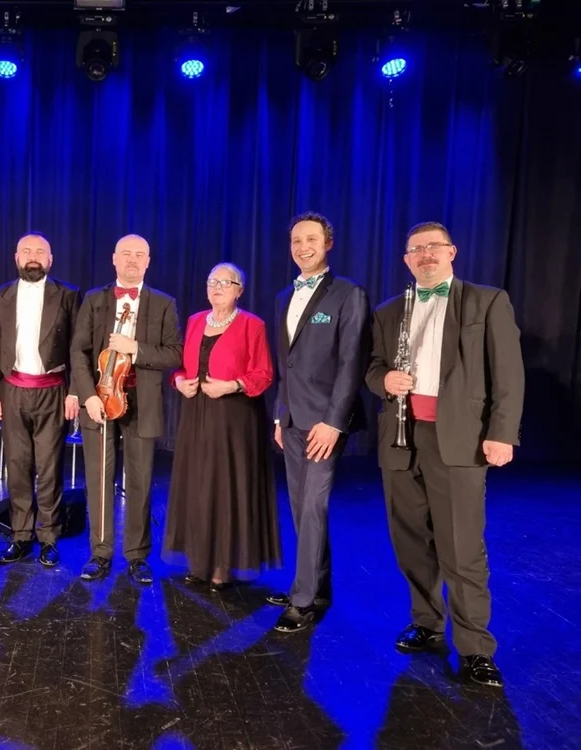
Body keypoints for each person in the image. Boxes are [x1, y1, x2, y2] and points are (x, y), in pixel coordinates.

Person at [366, 222, 524, 688]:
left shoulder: (486, 301)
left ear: (451, 251)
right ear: (406, 259)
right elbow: (373, 368)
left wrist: (502, 434)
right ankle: (427, 622)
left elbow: (508, 374)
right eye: (417, 249)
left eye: (434, 247)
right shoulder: (388, 311)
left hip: (459, 439)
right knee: (411, 541)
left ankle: (475, 647)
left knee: (462, 547)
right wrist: (383, 380)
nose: (426, 255)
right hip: (400, 437)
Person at [269, 212, 370, 633]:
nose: (302, 247)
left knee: (313, 507)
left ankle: (303, 600)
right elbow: (285, 365)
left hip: (325, 423)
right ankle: (315, 586)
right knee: (300, 508)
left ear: (328, 244)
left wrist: (334, 422)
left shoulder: (349, 294)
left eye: (311, 239)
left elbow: (352, 362)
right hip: (292, 418)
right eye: (296, 240)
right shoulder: (283, 297)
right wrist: (280, 414)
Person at [70, 234, 183, 584]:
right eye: (126, 254)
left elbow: (175, 353)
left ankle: (137, 555)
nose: (132, 260)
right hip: (100, 399)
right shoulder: (94, 299)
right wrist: (88, 396)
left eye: (139, 255)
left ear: (148, 261)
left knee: (140, 480)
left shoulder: (164, 303)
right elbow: (78, 351)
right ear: (114, 259)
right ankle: (100, 553)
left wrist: (136, 348)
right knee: (98, 479)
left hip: (142, 402)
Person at [164, 263, 280, 591]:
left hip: (234, 416)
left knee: (225, 486)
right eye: (212, 281)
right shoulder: (195, 321)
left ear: (239, 290)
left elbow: (264, 374)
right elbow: (182, 367)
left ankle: (222, 564)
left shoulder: (252, 325)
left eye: (225, 282)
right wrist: (178, 381)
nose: (217, 287)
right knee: (197, 485)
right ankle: (198, 559)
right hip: (196, 414)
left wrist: (232, 385)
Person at [0, 232, 81, 568]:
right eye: (26, 251)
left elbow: (78, 348)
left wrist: (75, 391)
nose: (33, 256)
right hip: (12, 390)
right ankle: (21, 535)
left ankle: (49, 537)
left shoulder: (69, 295)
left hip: (53, 390)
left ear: (50, 259)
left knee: (50, 467)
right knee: (17, 465)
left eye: (40, 251)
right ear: (16, 257)